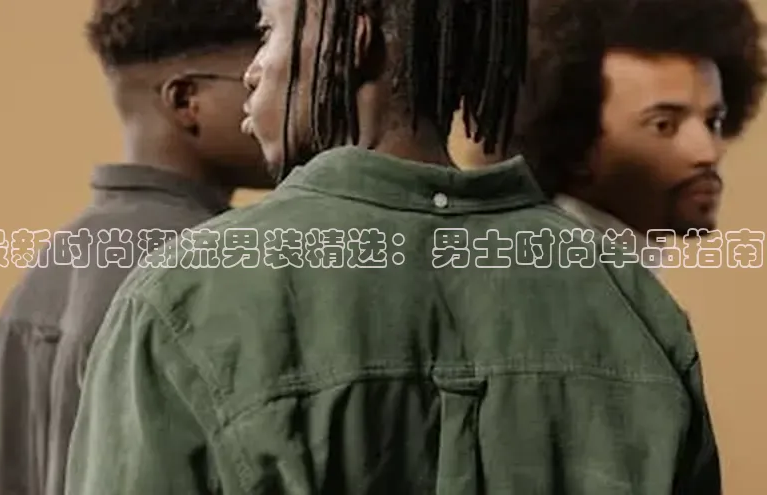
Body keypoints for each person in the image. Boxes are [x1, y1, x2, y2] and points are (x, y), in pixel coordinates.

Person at [67, 0, 719, 494]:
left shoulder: (184, 297)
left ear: (354, 42)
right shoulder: (630, 300)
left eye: (268, 31)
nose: (254, 70)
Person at [0, 2, 273, 495]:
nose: (286, 100)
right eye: (258, 80)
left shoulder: (43, 274)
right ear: (186, 100)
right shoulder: (212, 272)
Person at [515, 0, 766, 271]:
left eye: (712, 122)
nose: (708, 152)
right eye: (664, 125)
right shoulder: (554, 277)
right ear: (574, 144)